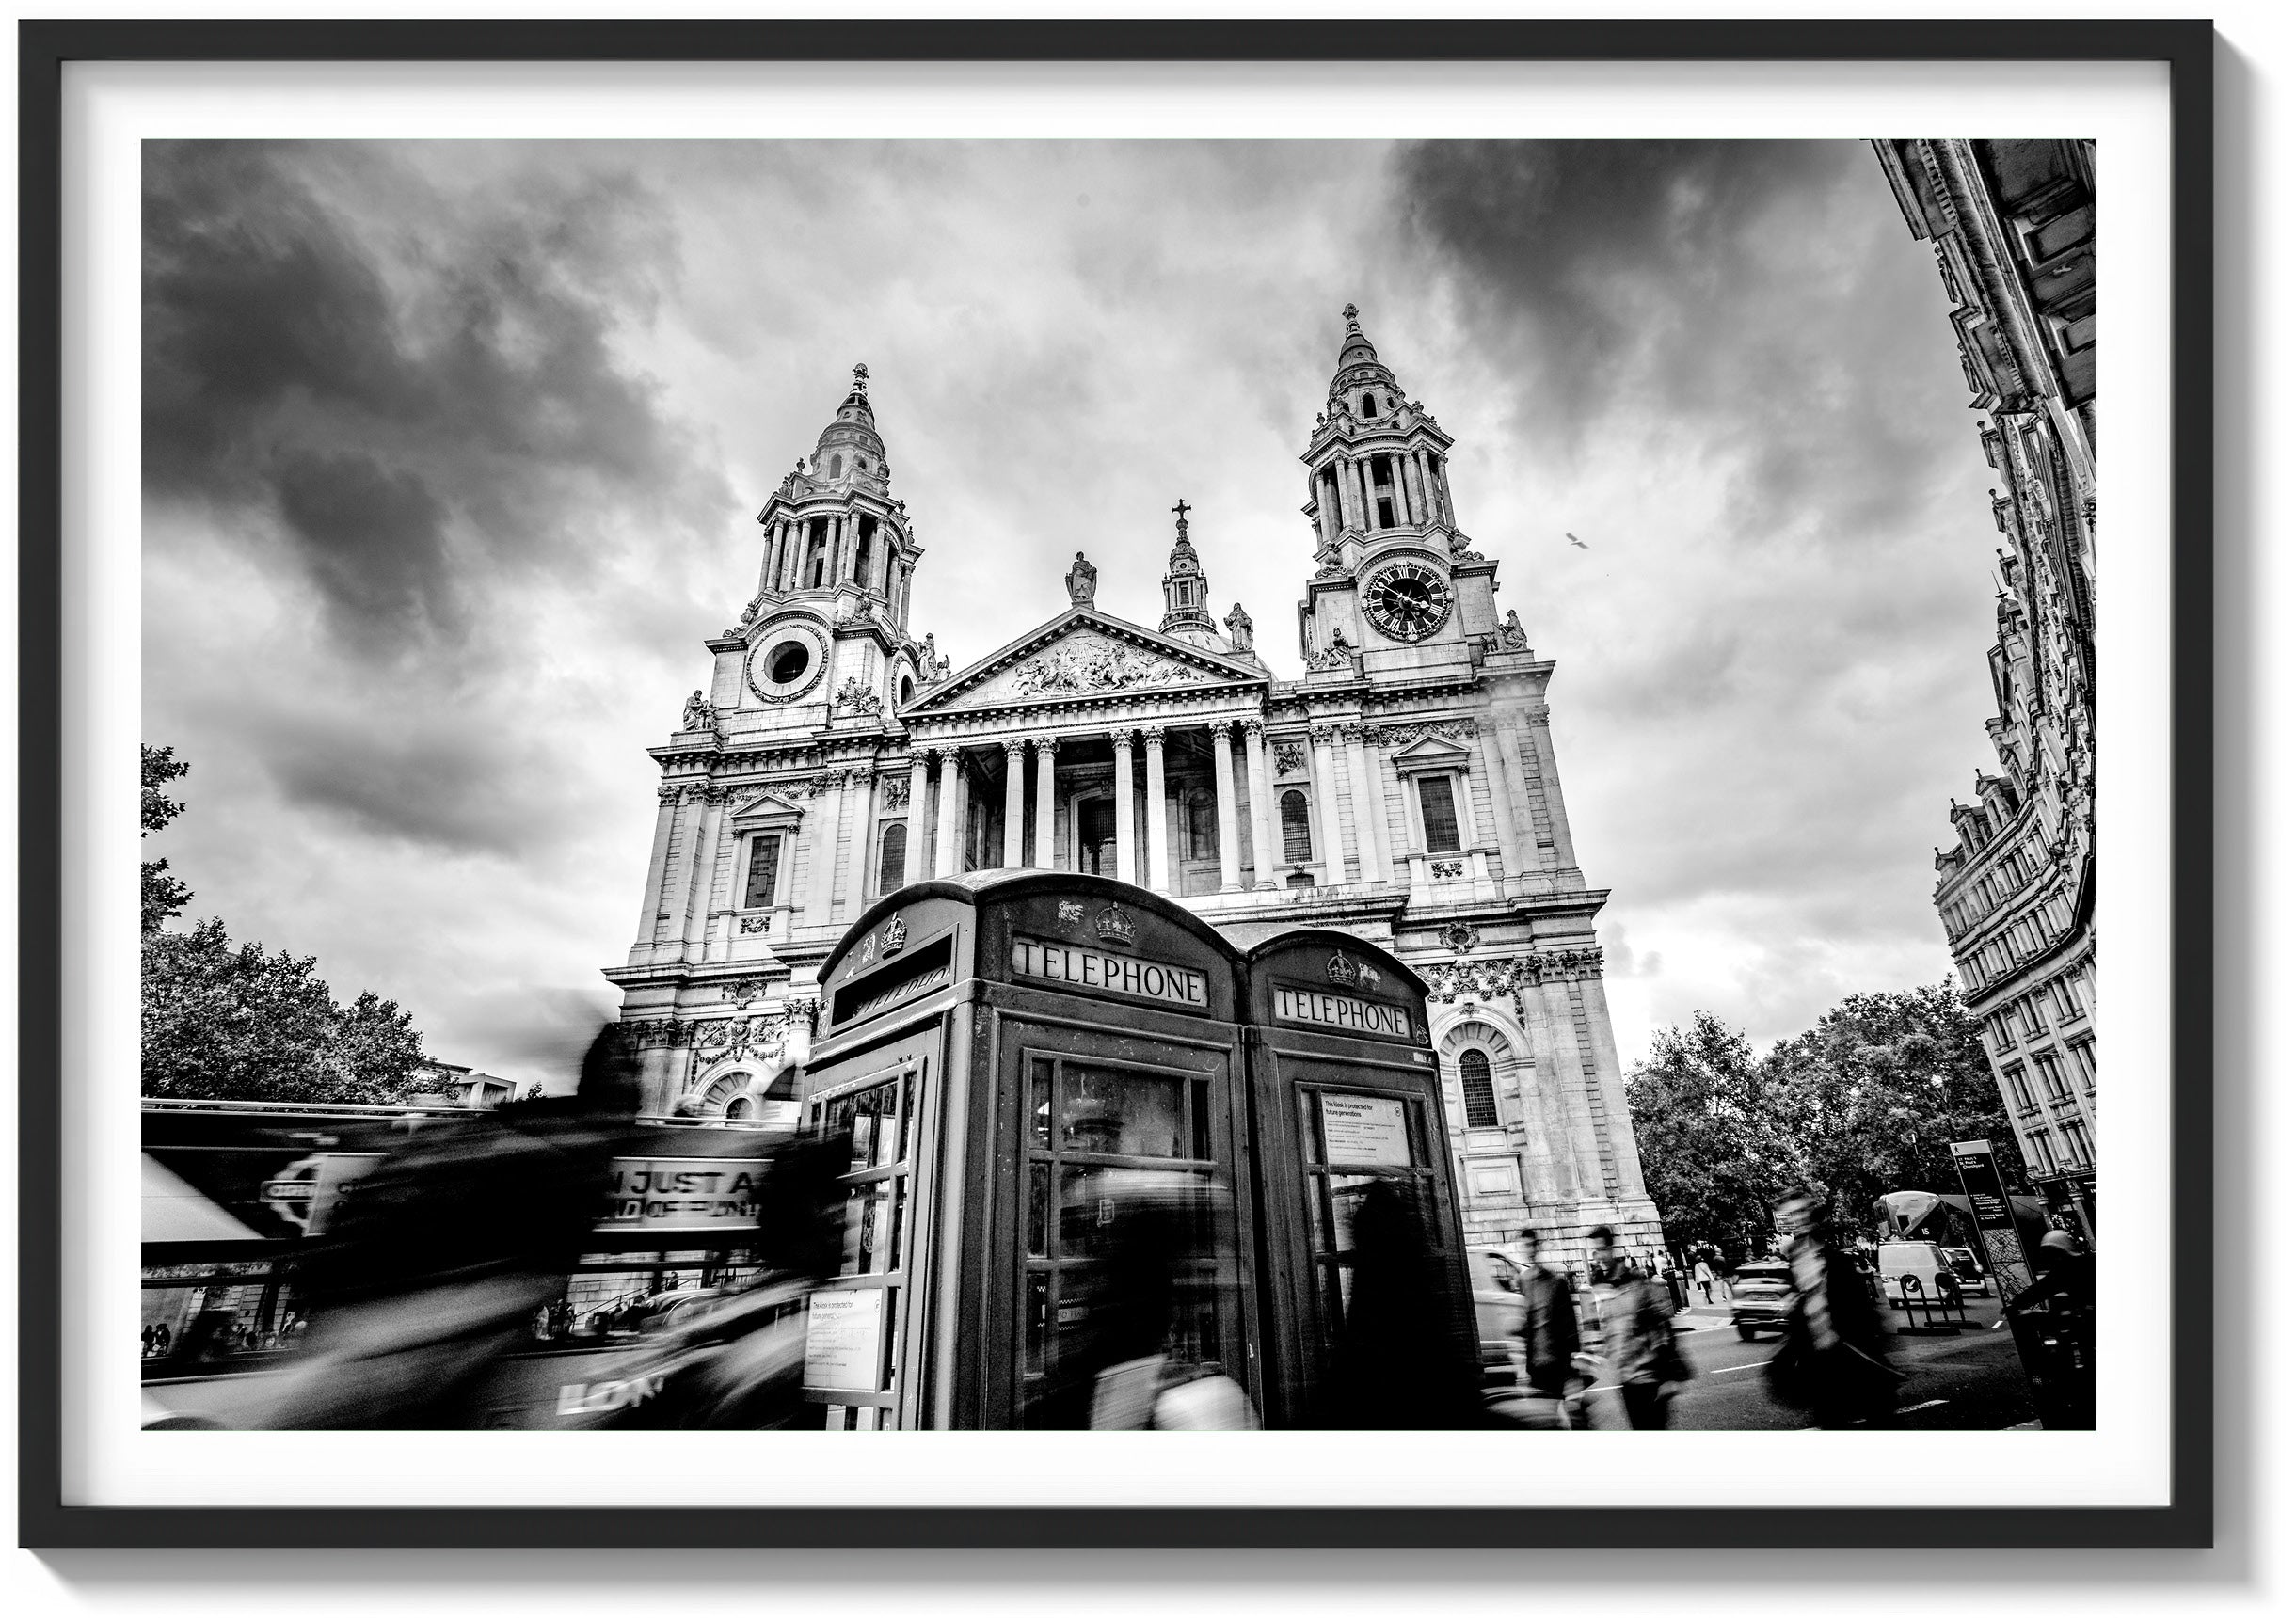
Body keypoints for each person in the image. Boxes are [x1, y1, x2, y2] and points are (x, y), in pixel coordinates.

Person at [1767, 1188, 1900, 1429]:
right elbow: (1799, 1320)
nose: (1798, 1218)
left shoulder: (1837, 1261)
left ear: (1811, 1213)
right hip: (1821, 1369)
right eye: (1791, 1214)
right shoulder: (1792, 1264)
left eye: (1801, 1211)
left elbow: (1865, 1314)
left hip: (1856, 1361)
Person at [1578, 1224, 1688, 1430]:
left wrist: (1668, 1376)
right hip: (1626, 1379)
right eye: (1595, 1251)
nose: (1599, 1256)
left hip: (1650, 1378)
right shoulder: (1600, 1288)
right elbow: (1601, 1332)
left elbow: (1661, 1327)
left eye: (1602, 1250)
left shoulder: (1635, 1282)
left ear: (1612, 1249)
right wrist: (1586, 1358)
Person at [2007, 1229, 2096, 1429]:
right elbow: (2044, 1287)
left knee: (2085, 1345)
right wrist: (2018, 1303)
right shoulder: (2070, 1266)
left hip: (2091, 1318)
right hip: (2082, 1318)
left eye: (2054, 1253)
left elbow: (2045, 1287)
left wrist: (2016, 1304)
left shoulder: (2081, 1265)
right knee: (2079, 1344)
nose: (2052, 1258)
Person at [1514, 1228, 1583, 1428]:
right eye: (1525, 1246)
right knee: (1544, 1421)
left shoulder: (1556, 1282)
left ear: (1538, 1247)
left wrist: (1573, 1369)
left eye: (1531, 1245)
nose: (1529, 1251)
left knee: (1567, 1416)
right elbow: (1524, 1327)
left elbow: (1570, 1327)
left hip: (1556, 1362)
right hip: (1535, 1365)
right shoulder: (1522, 1282)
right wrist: (1522, 1369)